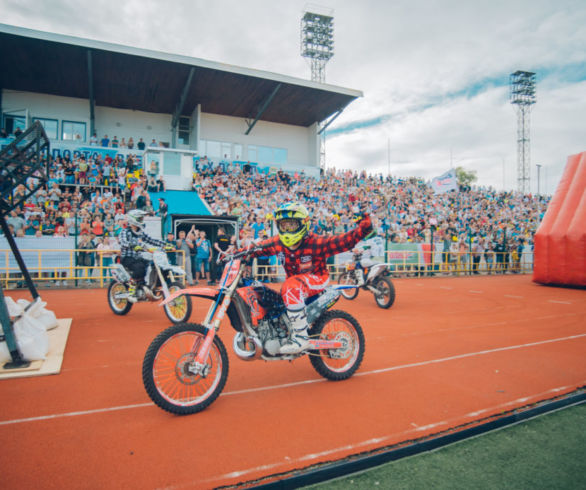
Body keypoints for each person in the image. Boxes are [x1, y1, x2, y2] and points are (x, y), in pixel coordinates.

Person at [233, 202, 372, 355]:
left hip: (317, 278)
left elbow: (344, 241)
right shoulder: (277, 242)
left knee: (291, 285)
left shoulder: (316, 242)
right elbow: (254, 249)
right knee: (262, 290)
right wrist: (234, 254)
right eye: (283, 225)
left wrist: (363, 228)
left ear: (302, 224)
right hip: (295, 284)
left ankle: (301, 337)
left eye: (291, 225)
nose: (286, 229)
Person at [119, 209, 172, 302]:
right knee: (139, 268)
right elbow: (123, 242)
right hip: (127, 257)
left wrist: (164, 244)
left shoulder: (140, 233)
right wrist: (131, 245)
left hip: (138, 258)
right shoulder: (125, 232)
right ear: (133, 219)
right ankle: (131, 291)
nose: (141, 220)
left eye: (141, 218)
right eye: (140, 219)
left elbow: (151, 240)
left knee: (152, 265)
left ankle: (148, 286)